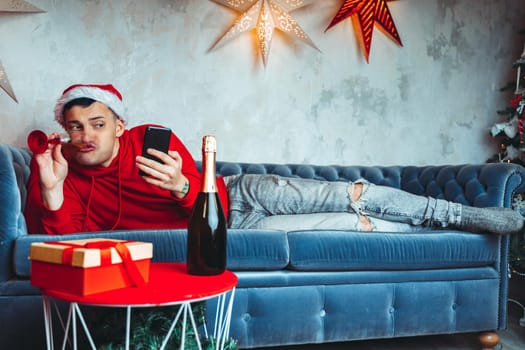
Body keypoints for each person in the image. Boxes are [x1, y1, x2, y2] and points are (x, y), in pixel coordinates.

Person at [25, 83, 524, 235]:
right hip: (230, 234)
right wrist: (51, 192)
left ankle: (465, 215)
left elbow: (209, 195)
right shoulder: (57, 169)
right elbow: (67, 242)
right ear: (64, 130)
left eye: (97, 123)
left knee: (353, 193)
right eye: (75, 126)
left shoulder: (153, 139)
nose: (86, 135)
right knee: (351, 224)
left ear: (117, 124)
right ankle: (449, 233)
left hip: (240, 193)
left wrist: (182, 185)